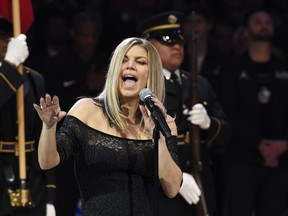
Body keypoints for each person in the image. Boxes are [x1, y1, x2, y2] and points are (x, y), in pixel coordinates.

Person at [33, 37, 182, 215]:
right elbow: (47, 161)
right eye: (123, 60)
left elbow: (172, 188)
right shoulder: (87, 110)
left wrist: (159, 138)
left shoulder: (164, 123)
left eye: (140, 62)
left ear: (152, 73)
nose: (130, 66)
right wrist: (49, 127)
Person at [136, 11, 231, 216]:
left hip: (200, 182)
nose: (177, 46)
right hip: (159, 187)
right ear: (149, 45)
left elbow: (226, 133)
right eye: (167, 41)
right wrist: (175, 177)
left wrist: (209, 124)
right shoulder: (142, 87)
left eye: (179, 41)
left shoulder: (198, 84)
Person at [219, 8, 288, 216]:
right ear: (246, 30)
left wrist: (283, 144)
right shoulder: (232, 68)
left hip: (281, 157)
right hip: (243, 158)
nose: (264, 24)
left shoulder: (284, 67)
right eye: (257, 21)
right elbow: (228, 111)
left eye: (267, 21)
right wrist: (259, 143)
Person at [0, 18, 56, 215]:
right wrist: (9, 65)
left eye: (10, 38)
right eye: (2, 38)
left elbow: (44, 136)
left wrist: (50, 196)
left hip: (31, 180)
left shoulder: (34, 79)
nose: (7, 42)